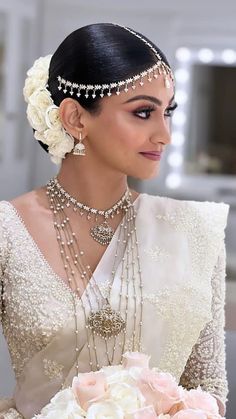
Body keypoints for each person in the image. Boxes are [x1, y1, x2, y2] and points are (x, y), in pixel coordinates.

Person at [0, 23, 229, 418]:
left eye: (167, 112)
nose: (165, 134)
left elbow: (209, 387)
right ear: (75, 118)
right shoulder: (8, 230)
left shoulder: (194, 231)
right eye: (143, 112)